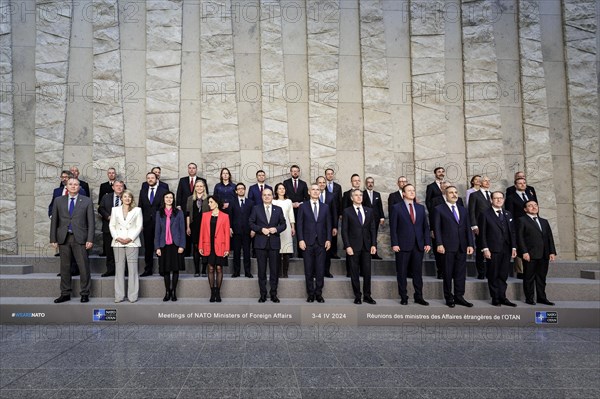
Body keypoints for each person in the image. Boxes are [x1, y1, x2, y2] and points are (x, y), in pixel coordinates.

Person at [50, 178, 94, 303]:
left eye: (76, 184)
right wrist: (53, 238)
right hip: (63, 238)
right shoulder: (58, 201)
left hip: (80, 238)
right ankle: (65, 293)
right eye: (71, 184)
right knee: (65, 267)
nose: (73, 186)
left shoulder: (86, 201)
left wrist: (90, 238)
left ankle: (84, 293)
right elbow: (54, 221)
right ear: (66, 186)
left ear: (79, 187)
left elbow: (91, 222)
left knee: (83, 267)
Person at [433, 186, 475, 308]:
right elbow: (437, 228)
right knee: (447, 273)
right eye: (451, 192)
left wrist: (470, 244)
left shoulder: (463, 210)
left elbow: (468, 228)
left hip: (461, 246)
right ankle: (448, 297)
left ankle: (459, 296)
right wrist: (439, 243)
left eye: (456, 192)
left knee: (460, 273)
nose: (454, 194)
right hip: (447, 246)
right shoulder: (439, 209)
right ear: (445, 195)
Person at [389, 184, 431, 306]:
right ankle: (403, 296)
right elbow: (393, 228)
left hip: (418, 245)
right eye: (409, 190)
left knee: (417, 273)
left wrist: (427, 242)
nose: (412, 192)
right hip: (402, 245)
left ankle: (419, 296)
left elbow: (425, 227)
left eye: (413, 190)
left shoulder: (420, 208)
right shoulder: (396, 208)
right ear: (403, 193)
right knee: (402, 272)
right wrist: (394, 243)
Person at [479, 191, 517, 307]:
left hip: (506, 249)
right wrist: (485, 248)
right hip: (492, 249)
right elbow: (482, 234)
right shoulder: (485, 214)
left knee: (503, 275)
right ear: (491, 200)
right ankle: (495, 297)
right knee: (493, 274)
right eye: (496, 198)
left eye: (501, 198)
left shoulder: (508, 214)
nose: (499, 200)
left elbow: (512, 232)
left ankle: (503, 297)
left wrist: (514, 247)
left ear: (504, 200)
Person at [249, 188, 287, 303]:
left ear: (272, 196)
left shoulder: (278, 209)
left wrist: (276, 229)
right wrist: (261, 229)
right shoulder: (256, 209)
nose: (267, 197)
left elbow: (284, 224)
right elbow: (251, 223)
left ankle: (274, 294)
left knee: (274, 271)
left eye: (269, 195)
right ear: (262, 197)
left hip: (274, 244)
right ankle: (263, 295)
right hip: (260, 244)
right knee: (262, 271)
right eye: (264, 195)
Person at [517, 200, 557, 306]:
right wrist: (524, 252)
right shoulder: (521, 220)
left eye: (535, 205)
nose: (534, 207)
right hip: (530, 254)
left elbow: (549, 238)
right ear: (525, 209)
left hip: (544, 254)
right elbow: (520, 238)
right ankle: (529, 298)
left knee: (541, 278)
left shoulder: (544, 221)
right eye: (530, 206)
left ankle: (541, 298)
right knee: (529, 277)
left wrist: (552, 252)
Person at [297, 184, 332, 303]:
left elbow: (328, 224)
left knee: (320, 269)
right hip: (307, 242)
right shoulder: (303, 207)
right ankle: (310, 294)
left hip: (322, 243)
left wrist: (328, 239)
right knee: (308, 269)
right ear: (309, 192)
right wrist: (300, 239)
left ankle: (319, 294)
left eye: (318, 190)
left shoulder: (325, 207)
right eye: (313, 189)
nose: (316, 191)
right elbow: (299, 225)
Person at [342, 189, 377, 305]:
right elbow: (344, 231)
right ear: (352, 198)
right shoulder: (347, 211)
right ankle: (357, 296)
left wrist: (373, 244)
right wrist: (347, 246)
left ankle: (367, 295)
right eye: (356, 195)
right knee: (354, 272)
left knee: (367, 272)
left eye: (360, 195)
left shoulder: (369, 211)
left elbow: (372, 229)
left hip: (367, 246)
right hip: (353, 246)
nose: (359, 197)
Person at [109, 189, 142, 303]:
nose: (127, 199)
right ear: (121, 198)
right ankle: (119, 296)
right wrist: (117, 237)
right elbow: (112, 225)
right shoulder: (115, 210)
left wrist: (130, 238)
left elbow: (139, 226)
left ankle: (132, 296)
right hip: (118, 242)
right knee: (119, 270)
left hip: (132, 242)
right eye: (125, 196)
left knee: (132, 270)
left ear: (132, 199)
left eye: (129, 197)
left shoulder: (137, 210)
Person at [155, 191, 186, 301]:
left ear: (173, 199)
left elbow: (182, 230)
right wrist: (157, 247)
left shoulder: (179, 213)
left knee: (175, 270)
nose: (169, 199)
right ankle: (167, 291)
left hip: (176, 245)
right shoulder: (159, 213)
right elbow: (157, 231)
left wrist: (182, 245)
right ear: (164, 199)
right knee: (166, 270)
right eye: (167, 197)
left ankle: (174, 291)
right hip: (164, 245)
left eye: (171, 197)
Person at [505, 177, 538, 279]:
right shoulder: (511, 197)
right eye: (520, 183)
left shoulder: (530, 195)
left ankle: (532, 269)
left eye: (524, 183)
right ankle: (520, 271)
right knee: (520, 246)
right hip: (518, 225)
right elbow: (510, 213)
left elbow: (536, 209)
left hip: (531, 225)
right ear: (515, 185)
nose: (523, 185)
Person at [199, 196, 231, 302]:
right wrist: (200, 246)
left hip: (220, 246)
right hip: (208, 245)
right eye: (208, 202)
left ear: (217, 203)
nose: (209, 204)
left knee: (219, 268)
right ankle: (212, 292)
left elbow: (227, 234)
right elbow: (202, 232)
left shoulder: (225, 216)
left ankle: (218, 292)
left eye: (211, 202)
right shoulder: (205, 215)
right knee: (211, 268)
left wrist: (227, 248)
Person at [139, 172, 168, 276]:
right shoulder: (143, 191)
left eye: (152, 178)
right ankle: (148, 269)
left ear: (156, 178)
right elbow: (140, 208)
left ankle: (162, 269)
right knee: (148, 247)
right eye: (148, 178)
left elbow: (165, 208)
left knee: (161, 245)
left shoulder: (163, 191)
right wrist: (140, 223)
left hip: (159, 222)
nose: (150, 179)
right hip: (147, 223)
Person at [176, 162, 208, 256]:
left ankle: (199, 251)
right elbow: (179, 193)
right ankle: (187, 251)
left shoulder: (202, 180)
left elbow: (206, 194)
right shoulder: (183, 180)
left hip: (197, 209)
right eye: (190, 168)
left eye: (193, 168)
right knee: (187, 229)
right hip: (185, 209)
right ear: (187, 169)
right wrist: (178, 205)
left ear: (196, 169)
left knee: (197, 232)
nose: (191, 169)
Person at [98, 180, 125, 277]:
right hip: (109, 227)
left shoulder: (126, 197)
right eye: (116, 186)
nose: (119, 188)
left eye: (121, 186)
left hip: (123, 228)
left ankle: (124, 270)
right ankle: (110, 270)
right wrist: (108, 216)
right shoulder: (106, 197)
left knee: (123, 250)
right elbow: (100, 208)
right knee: (109, 250)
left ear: (123, 187)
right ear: (113, 187)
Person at [469, 175, 493, 279]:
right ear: (479, 183)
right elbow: (472, 211)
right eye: (485, 181)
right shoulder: (474, 195)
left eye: (489, 181)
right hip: (480, 226)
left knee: (491, 248)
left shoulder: (493, 195)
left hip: (492, 227)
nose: (487, 182)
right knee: (480, 249)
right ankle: (481, 273)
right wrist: (474, 226)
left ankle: (490, 272)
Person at [283, 165, 310, 257]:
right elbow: (284, 196)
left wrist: (300, 204)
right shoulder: (285, 183)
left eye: (297, 171)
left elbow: (307, 198)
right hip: (288, 211)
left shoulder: (303, 183)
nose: (295, 172)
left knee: (300, 231)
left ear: (299, 172)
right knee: (288, 231)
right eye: (293, 171)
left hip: (300, 211)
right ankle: (289, 253)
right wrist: (291, 204)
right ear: (290, 172)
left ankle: (301, 253)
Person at [229, 183, 254, 278]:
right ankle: (236, 272)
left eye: (242, 188)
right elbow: (229, 216)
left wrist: (253, 229)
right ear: (236, 191)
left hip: (248, 232)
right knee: (236, 253)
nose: (240, 190)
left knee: (247, 252)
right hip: (236, 231)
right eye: (238, 189)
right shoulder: (232, 202)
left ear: (245, 190)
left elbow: (253, 217)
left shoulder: (250, 202)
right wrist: (230, 227)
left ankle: (248, 272)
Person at [186, 179, 210, 277]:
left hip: (205, 227)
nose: (199, 188)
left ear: (204, 188)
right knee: (195, 248)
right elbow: (187, 214)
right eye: (197, 186)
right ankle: (197, 270)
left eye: (201, 186)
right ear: (194, 188)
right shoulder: (190, 198)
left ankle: (204, 270)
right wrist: (188, 227)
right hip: (194, 226)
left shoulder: (208, 198)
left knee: (205, 247)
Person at [316, 176, 338, 277]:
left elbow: (334, 212)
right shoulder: (312, 195)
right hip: (315, 227)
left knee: (327, 250)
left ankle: (326, 271)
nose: (322, 184)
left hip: (327, 227)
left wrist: (335, 227)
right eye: (319, 182)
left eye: (323, 182)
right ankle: (316, 272)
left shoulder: (331, 196)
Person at [272, 183, 295, 278]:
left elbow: (291, 215)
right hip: (276, 228)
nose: (282, 190)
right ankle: (278, 272)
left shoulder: (289, 201)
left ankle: (285, 273)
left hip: (286, 228)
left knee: (286, 251)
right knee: (277, 251)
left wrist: (293, 227)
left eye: (283, 188)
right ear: (276, 191)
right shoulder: (273, 201)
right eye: (279, 188)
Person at [362, 177, 385, 259]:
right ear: (366, 184)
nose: (370, 184)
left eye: (372, 182)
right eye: (368, 182)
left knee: (374, 235)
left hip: (375, 218)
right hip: (365, 218)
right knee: (365, 235)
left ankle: (374, 253)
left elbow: (380, 206)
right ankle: (366, 253)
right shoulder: (362, 193)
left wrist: (382, 217)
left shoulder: (377, 194)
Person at [324, 168, 342, 259]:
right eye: (328, 174)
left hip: (334, 213)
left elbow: (340, 201)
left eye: (331, 174)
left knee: (334, 233)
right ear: (325, 176)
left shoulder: (338, 187)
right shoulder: (322, 186)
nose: (330, 175)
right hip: (324, 213)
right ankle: (326, 251)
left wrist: (340, 213)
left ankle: (334, 253)